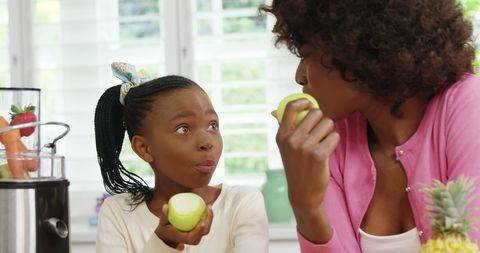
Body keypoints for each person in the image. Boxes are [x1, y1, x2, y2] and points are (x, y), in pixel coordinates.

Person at [260, 0, 480, 252]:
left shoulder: (469, 105)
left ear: (352, 52)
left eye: (306, 55)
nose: (299, 76)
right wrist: (305, 205)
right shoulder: (329, 139)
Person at [94, 62, 269, 253]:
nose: (207, 142)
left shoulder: (242, 203)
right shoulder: (117, 213)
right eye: (183, 128)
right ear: (144, 148)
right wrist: (163, 242)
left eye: (212, 125)